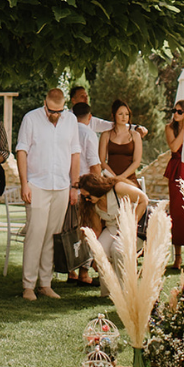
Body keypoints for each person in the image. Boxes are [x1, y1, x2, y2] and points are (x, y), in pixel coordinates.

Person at [16, 88, 81, 300]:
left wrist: (74, 186)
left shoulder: (70, 121)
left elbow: (75, 154)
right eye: (51, 111)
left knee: (52, 237)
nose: (55, 115)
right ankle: (28, 285)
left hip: (61, 186)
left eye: (59, 111)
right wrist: (24, 183)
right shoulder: (31, 119)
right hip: (37, 184)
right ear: (45, 103)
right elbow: (22, 151)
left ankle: (45, 283)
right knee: (35, 234)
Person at [75, 172, 150, 295]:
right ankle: (108, 292)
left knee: (118, 249)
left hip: (133, 227)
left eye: (88, 196)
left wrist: (131, 222)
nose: (86, 199)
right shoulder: (92, 204)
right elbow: (97, 229)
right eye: (84, 197)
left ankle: (124, 291)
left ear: (95, 189)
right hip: (112, 229)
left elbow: (144, 199)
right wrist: (95, 256)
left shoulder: (118, 188)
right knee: (101, 251)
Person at [63, 100, 104, 285]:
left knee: (70, 230)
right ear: (89, 117)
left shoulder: (67, 132)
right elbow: (94, 164)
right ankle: (83, 272)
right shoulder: (89, 133)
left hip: (66, 187)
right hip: (84, 188)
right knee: (89, 230)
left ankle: (70, 271)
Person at [163, 100, 184, 269]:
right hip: (177, 168)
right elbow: (174, 147)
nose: (175, 113)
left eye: (179, 112)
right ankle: (178, 256)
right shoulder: (170, 128)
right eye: (174, 110)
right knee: (177, 210)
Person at [100, 100, 142, 185]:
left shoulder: (135, 135)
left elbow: (137, 161)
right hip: (110, 178)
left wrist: (122, 177)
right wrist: (114, 177)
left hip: (129, 179)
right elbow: (102, 161)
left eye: (127, 114)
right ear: (114, 115)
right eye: (120, 114)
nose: (124, 117)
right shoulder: (106, 135)